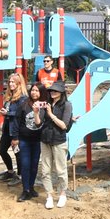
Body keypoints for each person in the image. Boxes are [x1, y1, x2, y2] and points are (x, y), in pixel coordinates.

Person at [39, 81, 73, 209]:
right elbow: (39, 123)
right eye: (51, 91)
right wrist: (37, 112)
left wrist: (51, 114)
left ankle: (63, 194)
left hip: (59, 140)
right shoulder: (47, 104)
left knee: (60, 169)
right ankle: (49, 196)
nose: (52, 93)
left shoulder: (67, 105)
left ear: (61, 92)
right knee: (45, 170)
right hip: (45, 139)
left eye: (55, 91)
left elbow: (64, 125)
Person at [16, 83, 47, 202]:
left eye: (37, 91)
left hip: (38, 140)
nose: (34, 93)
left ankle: (31, 187)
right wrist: (15, 138)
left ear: (41, 93)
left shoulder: (45, 105)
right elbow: (16, 122)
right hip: (24, 140)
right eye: (33, 90)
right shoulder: (24, 105)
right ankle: (25, 190)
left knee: (34, 165)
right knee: (25, 165)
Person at [0, 73, 26, 184]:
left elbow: (21, 113)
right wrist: (5, 112)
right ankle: (10, 171)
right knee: (1, 150)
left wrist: (8, 112)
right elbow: (9, 110)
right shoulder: (9, 97)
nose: (11, 84)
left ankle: (20, 176)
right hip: (7, 129)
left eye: (13, 82)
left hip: (16, 130)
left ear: (19, 83)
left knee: (18, 153)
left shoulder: (23, 97)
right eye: (9, 82)